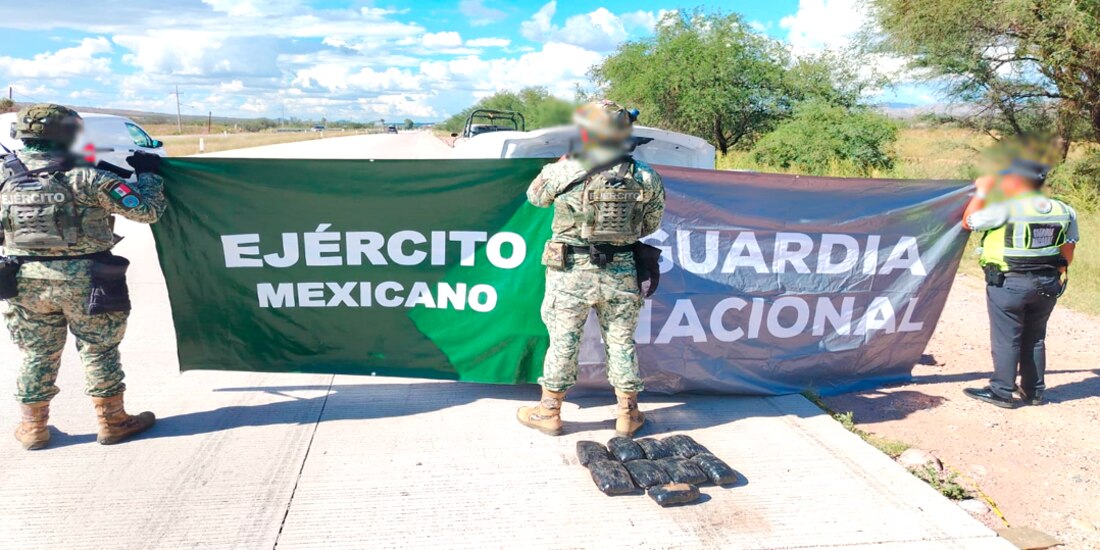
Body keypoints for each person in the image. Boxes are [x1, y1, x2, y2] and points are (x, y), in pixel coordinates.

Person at [0, 104, 167, 450]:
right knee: (99, 348)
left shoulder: (4, 178)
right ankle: (113, 421)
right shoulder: (87, 177)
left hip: (25, 281)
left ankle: (33, 428)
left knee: (36, 354)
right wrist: (149, 174)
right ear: (73, 135)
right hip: (89, 279)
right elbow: (148, 211)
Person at [517, 99, 665, 437]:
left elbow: (535, 197)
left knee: (563, 342)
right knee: (621, 341)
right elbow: (651, 225)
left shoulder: (567, 168)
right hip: (622, 270)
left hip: (570, 270)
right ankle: (628, 414)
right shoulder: (645, 175)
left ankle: (550, 411)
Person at [961, 159, 1078, 408]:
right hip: (1047, 283)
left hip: (1009, 283)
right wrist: (1056, 272)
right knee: (1035, 337)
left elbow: (968, 221)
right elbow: (1068, 249)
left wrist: (982, 190)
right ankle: (1034, 392)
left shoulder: (1006, 209)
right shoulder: (1064, 210)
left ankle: (1002, 391)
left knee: (1007, 338)